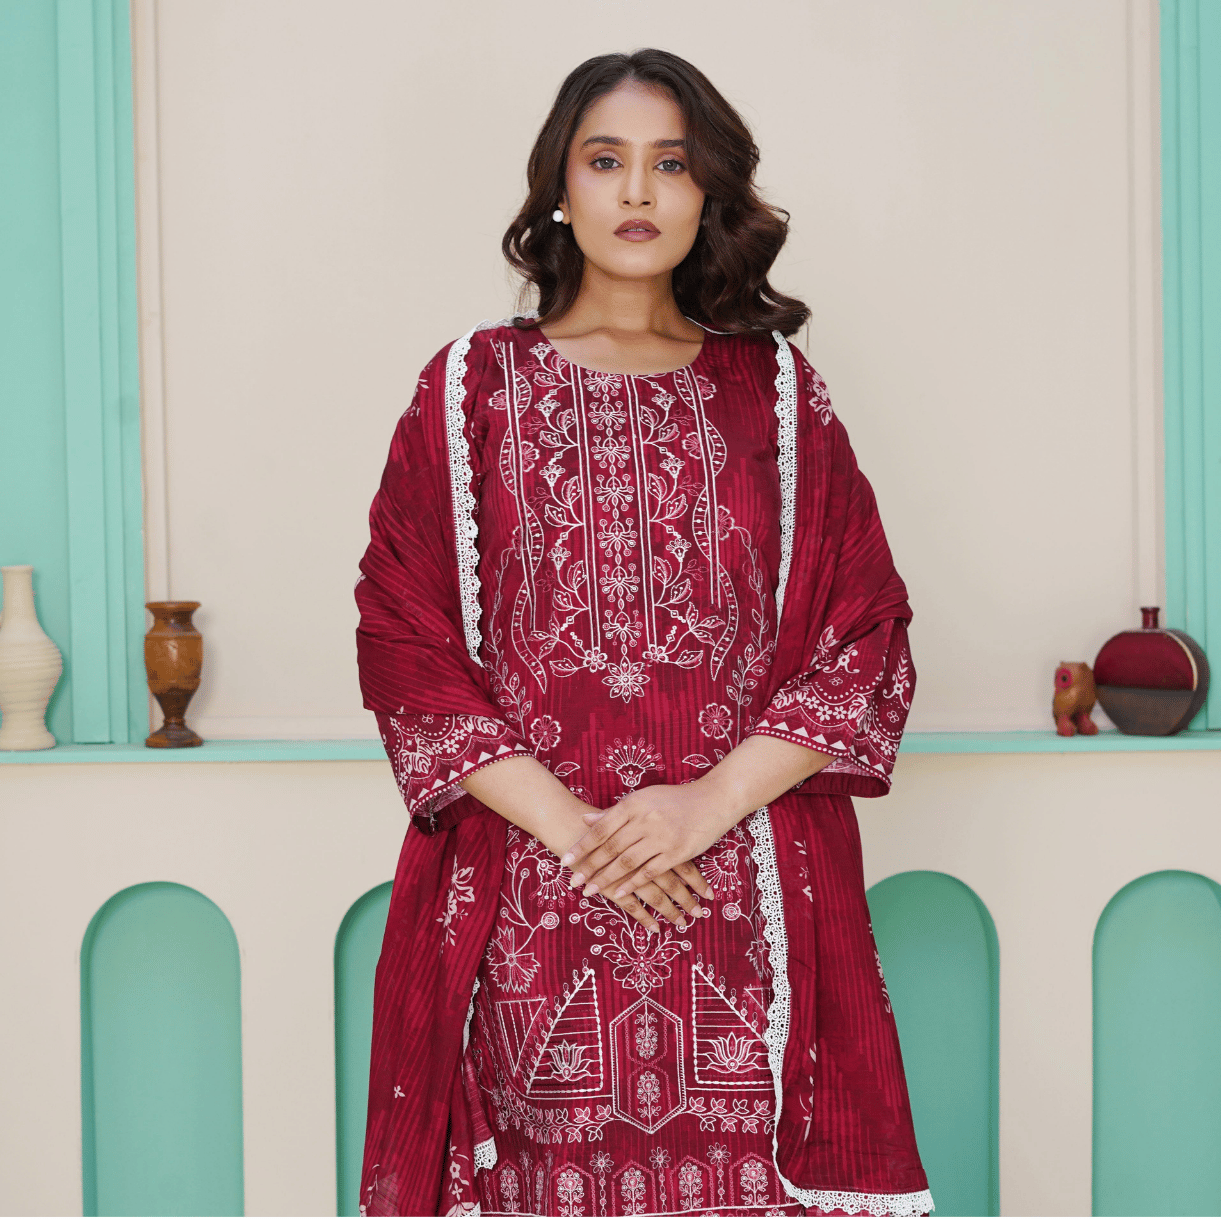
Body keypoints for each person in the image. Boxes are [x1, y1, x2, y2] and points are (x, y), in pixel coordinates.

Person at [354, 48, 932, 1218]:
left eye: (669, 165)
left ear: (706, 191)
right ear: (559, 190)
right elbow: (402, 639)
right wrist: (583, 837)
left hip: (744, 907)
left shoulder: (776, 394)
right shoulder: (468, 390)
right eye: (605, 161)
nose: (635, 193)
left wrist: (700, 809)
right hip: (530, 904)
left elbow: (865, 636)